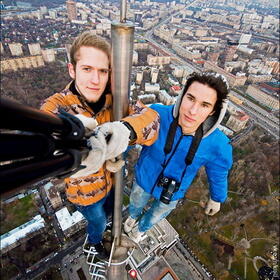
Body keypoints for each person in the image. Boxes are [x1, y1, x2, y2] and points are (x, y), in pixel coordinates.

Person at [40, 31, 160, 258]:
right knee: (98, 222)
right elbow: (42, 134)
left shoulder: (116, 102)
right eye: (87, 69)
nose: (95, 80)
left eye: (102, 71)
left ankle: (105, 231)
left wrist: (127, 130)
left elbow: (152, 119)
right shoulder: (58, 107)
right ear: (72, 70)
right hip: (85, 195)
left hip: (112, 184)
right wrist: (71, 144)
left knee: (109, 214)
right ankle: (94, 243)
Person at [120, 71, 233, 241]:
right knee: (135, 202)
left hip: (173, 192)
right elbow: (131, 133)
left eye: (204, 105)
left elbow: (219, 172)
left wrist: (217, 198)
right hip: (145, 177)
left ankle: (141, 229)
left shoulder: (217, 143)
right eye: (191, 98)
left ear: (213, 111)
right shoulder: (156, 114)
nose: (192, 111)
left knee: (156, 215)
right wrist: (117, 155)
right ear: (182, 96)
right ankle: (133, 217)